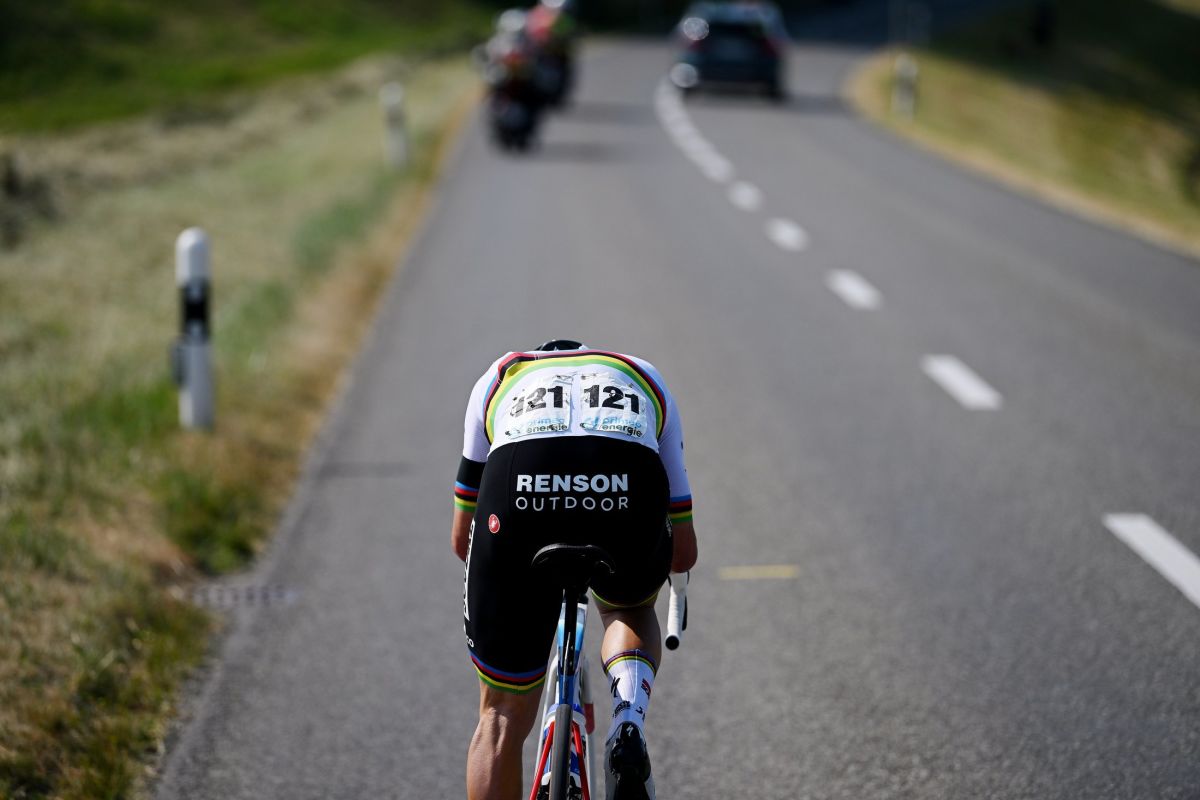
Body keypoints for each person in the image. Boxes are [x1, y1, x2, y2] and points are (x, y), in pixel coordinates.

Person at [452, 340, 698, 800]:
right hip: (623, 487)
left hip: (522, 489)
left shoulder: (501, 374)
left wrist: (507, 587)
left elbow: (461, 536)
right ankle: (627, 720)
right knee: (627, 608)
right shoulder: (641, 373)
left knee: (499, 715)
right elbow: (683, 550)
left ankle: (506, 714)